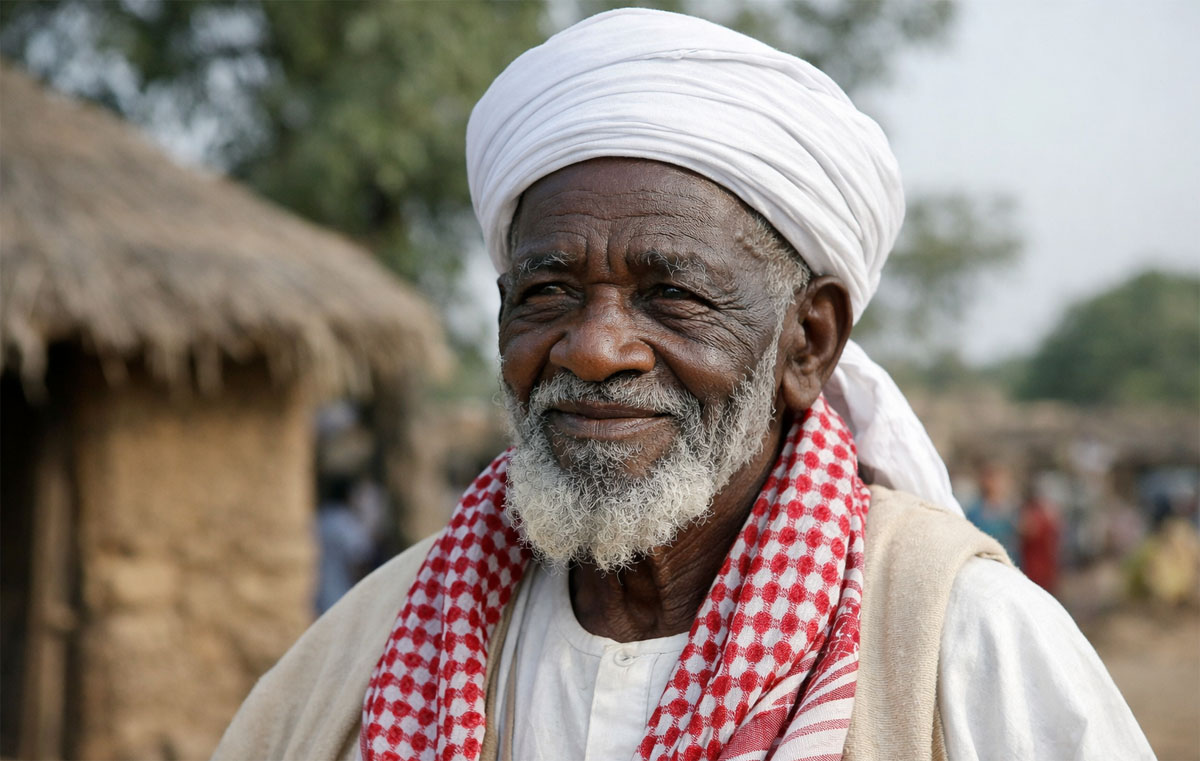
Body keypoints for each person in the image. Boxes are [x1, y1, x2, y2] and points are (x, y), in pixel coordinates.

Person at [214, 9, 1153, 761]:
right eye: (547, 291)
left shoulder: (963, 645)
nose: (594, 348)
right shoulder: (368, 657)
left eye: (671, 294)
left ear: (808, 341)